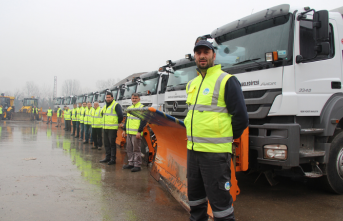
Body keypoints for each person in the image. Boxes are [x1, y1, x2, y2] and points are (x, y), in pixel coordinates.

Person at [184, 40, 248, 221]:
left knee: (221, 206)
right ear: (195, 57)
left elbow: (241, 118)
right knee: (195, 200)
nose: (202, 56)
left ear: (214, 55)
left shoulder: (227, 80)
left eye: (206, 52)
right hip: (193, 151)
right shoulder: (192, 84)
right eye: (198, 53)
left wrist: (225, 137)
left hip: (215, 154)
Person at [122, 93, 146, 172]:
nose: (134, 99)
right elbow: (126, 120)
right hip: (129, 132)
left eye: (136, 98)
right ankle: (131, 163)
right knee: (129, 148)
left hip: (136, 133)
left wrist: (139, 131)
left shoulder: (142, 108)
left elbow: (143, 121)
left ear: (139, 99)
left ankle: (137, 165)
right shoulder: (129, 108)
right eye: (133, 98)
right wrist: (124, 130)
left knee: (136, 149)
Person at [100, 91, 123, 165]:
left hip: (112, 128)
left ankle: (113, 159)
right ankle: (107, 157)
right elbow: (102, 114)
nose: (108, 98)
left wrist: (115, 123)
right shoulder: (105, 106)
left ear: (112, 98)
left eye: (109, 97)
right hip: (105, 127)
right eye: (107, 97)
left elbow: (120, 116)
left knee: (112, 144)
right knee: (106, 143)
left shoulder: (116, 105)